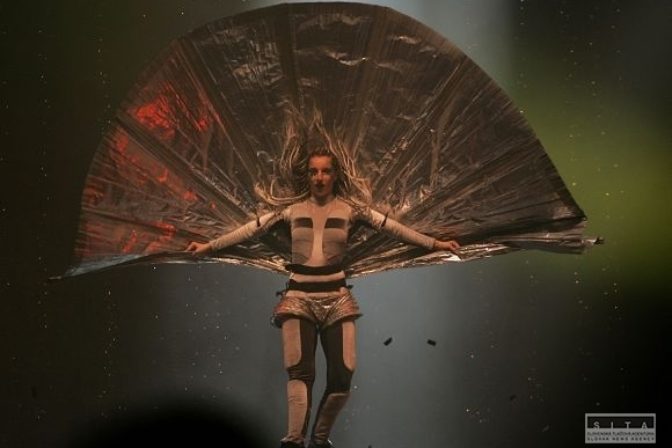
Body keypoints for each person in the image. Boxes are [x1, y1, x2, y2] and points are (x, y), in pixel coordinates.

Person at [185, 143, 459, 448]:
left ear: (335, 175)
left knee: (343, 375)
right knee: (300, 373)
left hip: (337, 297)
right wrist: (209, 246)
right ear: (307, 175)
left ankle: (320, 439)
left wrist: (434, 244)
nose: (319, 177)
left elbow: (392, 228)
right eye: (313, 171)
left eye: (325, 171)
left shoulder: (351, 209)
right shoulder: (290, 210)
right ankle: (293, 441)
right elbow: (250, 230)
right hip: (298, 297)